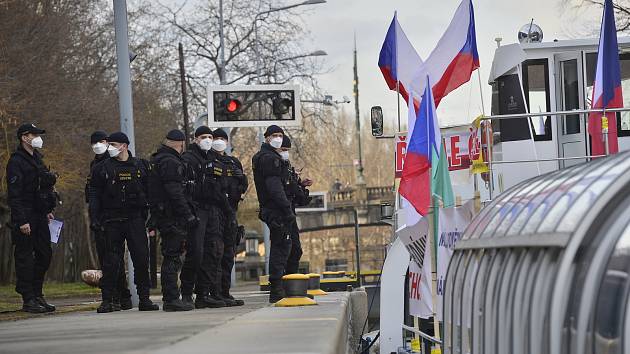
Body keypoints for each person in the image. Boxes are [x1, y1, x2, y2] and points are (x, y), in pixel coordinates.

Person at [89, 132, 158, 313]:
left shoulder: (141, 166)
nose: (110, 147)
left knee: (141, 259)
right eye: (109, 144)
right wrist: (94, 218)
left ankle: (144, 299)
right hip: (111, 220)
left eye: (114, 144)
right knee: (111, 262)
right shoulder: (101, 168)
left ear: (124, 146)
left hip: (135, 219)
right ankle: (108, 300)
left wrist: (153, 217)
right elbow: (94, 195)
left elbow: (151, 192)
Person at [6, 123, 58, 313]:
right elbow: (15, 194)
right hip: (25, 216)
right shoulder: (16, 162)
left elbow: (43, 188)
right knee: (25, 258)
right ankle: (28, 298)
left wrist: (47, 209)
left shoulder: (37, 159)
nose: (37, 137)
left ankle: (37, 293)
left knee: (45, 254)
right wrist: (21, 220)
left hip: (39, 215)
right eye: (34, 134)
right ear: (24, 137)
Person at [148, 130, 197, 312]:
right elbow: (175, 192)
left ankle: (171, 296)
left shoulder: (158, 159)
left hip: (164, 214)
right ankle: (171, 298)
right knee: (173, 257)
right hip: (172, 216)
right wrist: (187, 214)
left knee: (172, 255)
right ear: (181, 144)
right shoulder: (170, 162)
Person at [85, 131, 132, 311]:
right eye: (95, 142)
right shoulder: (95, 165)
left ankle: (119, 295)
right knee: (109, 258)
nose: (99, 145)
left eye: (102, 141)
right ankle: (117, 295)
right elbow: (91, 193)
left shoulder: (111, 162)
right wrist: (94, 217)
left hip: (112, 216)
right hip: (101, 217)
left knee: (113, 259)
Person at [180, 126, 225, 309]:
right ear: (196, 139)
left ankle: (203, 294)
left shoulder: (212, 158)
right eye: (204, 137)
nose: (208, 139)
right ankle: (186, 292)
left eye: (210, 136)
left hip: (211, 209)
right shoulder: (189, 158)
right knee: (196, 253)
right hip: (197, 209)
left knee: (211, 252)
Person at [252, 125, 295, 303]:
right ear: (267, 138)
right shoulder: (270, 158)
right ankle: (277, 289)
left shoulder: (265, 157)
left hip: (272, 208)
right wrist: (286, 209)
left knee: (283, 245)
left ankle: (282, 287)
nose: (278, 138)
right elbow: (275, 188)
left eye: (280, 135)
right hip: (276, 209)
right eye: (274, 135)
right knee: (281, 246)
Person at [211, 128, 247, 306]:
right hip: (215, 212)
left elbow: (242, 187)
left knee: (228, 254)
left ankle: (225, 291)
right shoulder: (209, 160)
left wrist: (242, 180)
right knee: (215, 253)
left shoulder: (233, 162)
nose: (218, 141)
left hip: (231, 212)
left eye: (221, 139)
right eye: (215, 138)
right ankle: (215, 292)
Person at [280, 136, 312, 275]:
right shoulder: (276, 168)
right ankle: (282, 283)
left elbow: (300, 198)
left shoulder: (288, 169)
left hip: (290, 212)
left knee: (296, 250)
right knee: (285, 249)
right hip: (282, 214)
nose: (285, 153)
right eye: (283, 150)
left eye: (287, 150)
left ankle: (290, 282)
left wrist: (300, 184)